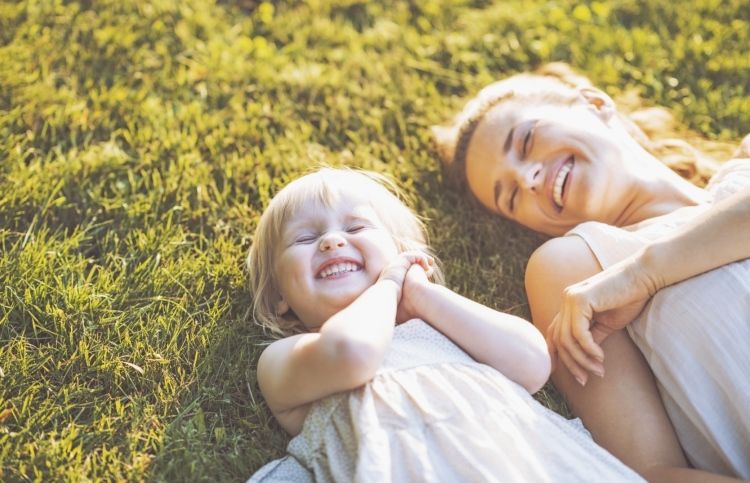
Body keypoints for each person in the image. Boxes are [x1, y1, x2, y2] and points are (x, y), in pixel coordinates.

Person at [433, 63, 750, 481]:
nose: (527, 177)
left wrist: (646, 274)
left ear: (596, 104)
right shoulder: (579, 268)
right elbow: (651, 470)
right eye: (510, 196)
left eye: (526, 140)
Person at [246, 167, 644, 482]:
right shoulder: (288, 357)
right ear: (280, 297)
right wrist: (387, 285)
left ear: (402, 256)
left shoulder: (444, 325)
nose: (332, 242)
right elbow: (353, 353)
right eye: (304, 239)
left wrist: (421, 295)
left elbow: (533, 362)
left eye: (354, 228)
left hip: (528, 461)